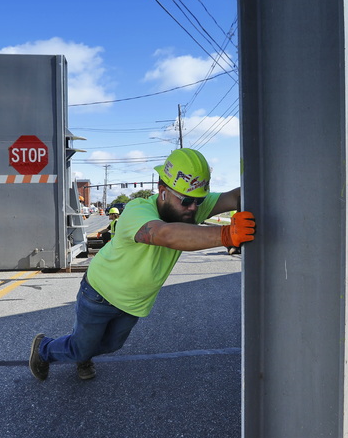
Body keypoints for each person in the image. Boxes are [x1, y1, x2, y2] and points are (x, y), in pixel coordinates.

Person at [29, 148, 256, 381]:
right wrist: (227, 234)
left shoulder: (190, 209)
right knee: (81, 346)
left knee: (111, 345)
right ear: (163, 191)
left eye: (199, 201)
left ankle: (83, 349)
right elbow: (164, 234)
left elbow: (235, 195)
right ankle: (45, 348)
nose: (194, 208)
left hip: (133, 304)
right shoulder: (138, 210)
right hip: (99, 293)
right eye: (187, 201)